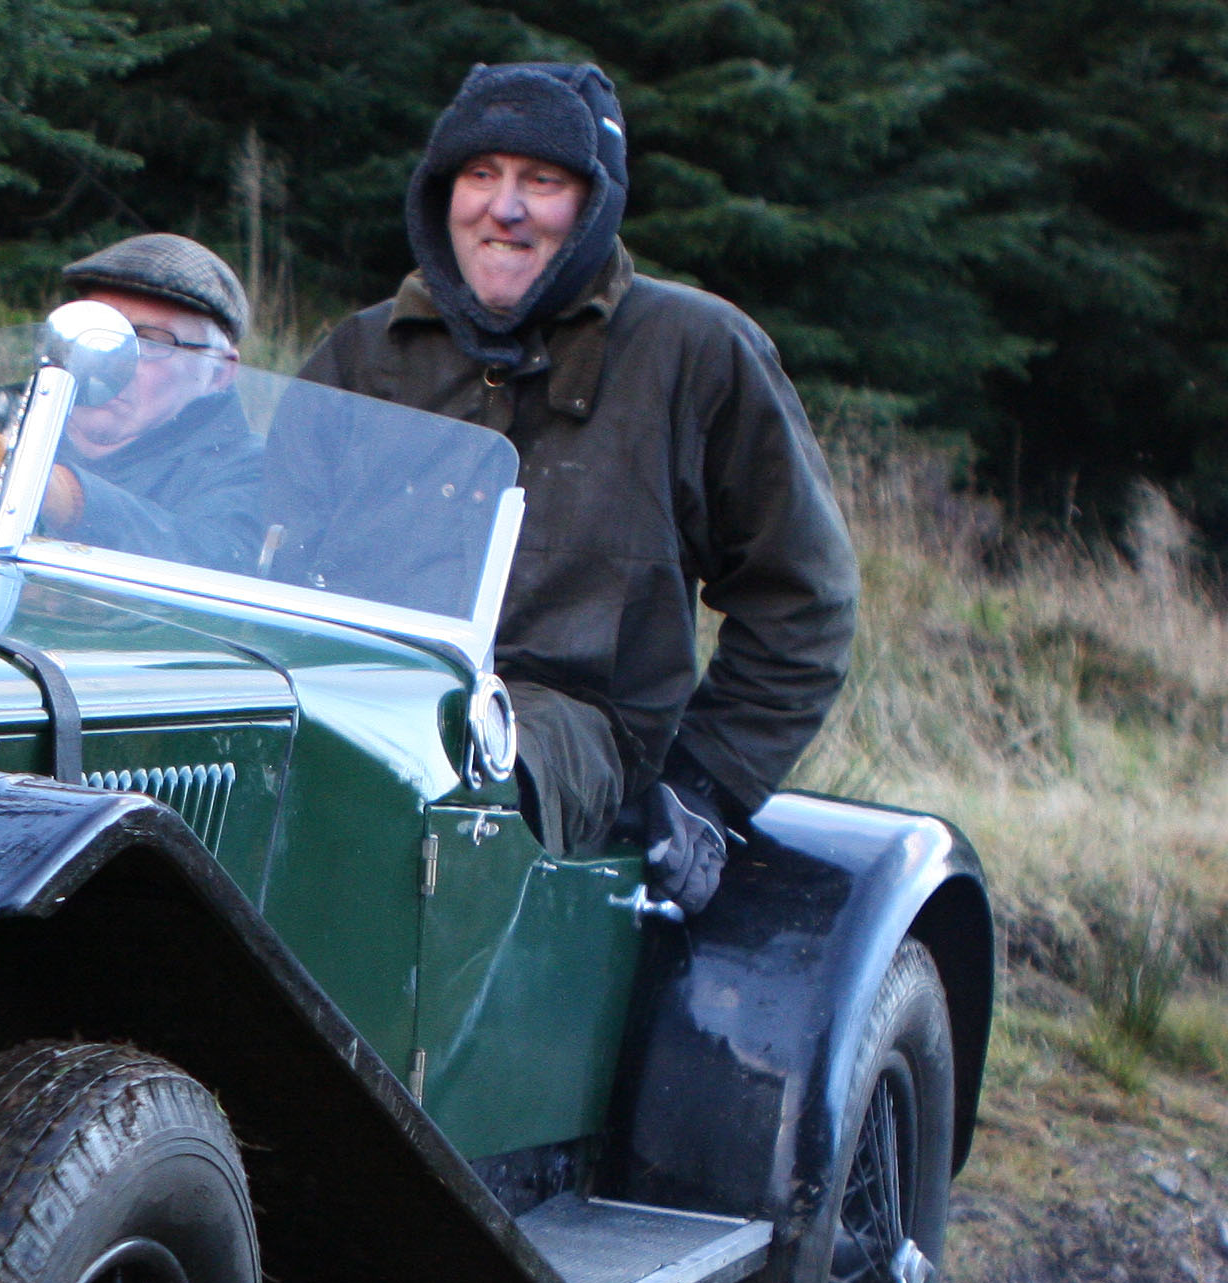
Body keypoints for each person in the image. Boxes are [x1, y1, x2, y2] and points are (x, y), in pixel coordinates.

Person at [293, 63, 855, 909]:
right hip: (358, 695)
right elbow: (257, 566)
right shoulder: (361, 355)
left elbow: (804, 599)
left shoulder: (695, 349)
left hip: (574, 737)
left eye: (541, 182)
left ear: (592, 205)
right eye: (480, 175)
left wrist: (706, 786)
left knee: (448, 772)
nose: (504, 207)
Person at [0, 234, 268, 568]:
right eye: (95, 336)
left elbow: (215, 560)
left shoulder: (252, 471)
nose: (110, 363)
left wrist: (63, 494)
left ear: (220, 372)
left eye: (151, 343)